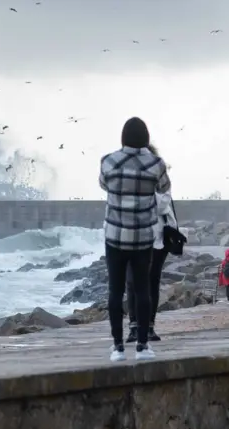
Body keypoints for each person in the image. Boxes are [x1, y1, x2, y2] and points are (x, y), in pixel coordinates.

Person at [99, 116, 172, 361]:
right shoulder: (156, 164)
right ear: (146, 138)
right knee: (142, 290)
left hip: (115, 237)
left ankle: (118, 347)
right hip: (142, 238)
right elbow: (164, 189)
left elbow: (103, 184)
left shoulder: (108, 162)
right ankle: (142, 346)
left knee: (115, 291)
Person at [126, 142, 177, 344]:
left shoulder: (159, 175)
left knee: (152, 281)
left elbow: (163, 203)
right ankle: (133, 327)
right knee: (132, 282)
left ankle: (149, 327)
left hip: (158, 236)